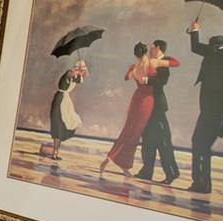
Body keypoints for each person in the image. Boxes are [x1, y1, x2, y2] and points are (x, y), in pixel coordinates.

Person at [100, 43, 173, 176]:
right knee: (134, 134)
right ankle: (118, 161)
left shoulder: (134, 67)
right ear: (146, 52)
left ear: (136, 54)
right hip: (147, 101)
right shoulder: (152, 63)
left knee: (129, 130)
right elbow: (175, 63)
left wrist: (135, 74)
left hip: (137, 99)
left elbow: (127, 78)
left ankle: (115, 159)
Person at [187, 21, 223, 194]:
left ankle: (201, 184)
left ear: (215, 48)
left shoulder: (215, 56)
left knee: (199, 144)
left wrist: (195, 30)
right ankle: (203, 184)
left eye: (211, 49)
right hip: (219, 111)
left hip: (211, 111)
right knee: (202, 145)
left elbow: (195, 48)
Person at [135, 39, 182, 184]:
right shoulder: (151, 61)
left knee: (163, 140)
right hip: (147, 105)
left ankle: (172, 172)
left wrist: (147, 80)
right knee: (148, 139)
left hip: (157, 106)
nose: (150, 49)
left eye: (152, 47)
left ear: (158, 48)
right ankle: (147, 171)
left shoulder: (163, 62)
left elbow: (162, 80)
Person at [48, 60, 88, 158]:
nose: (80, 71)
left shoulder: (75, 75)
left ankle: (55, 152)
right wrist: (77, 70)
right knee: (59, 124)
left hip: (64, 101)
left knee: (62, 126)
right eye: (79, 69)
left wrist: (84, 70)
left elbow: (82, 78)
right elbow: (71, 75)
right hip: (60, 101)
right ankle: (55, 152)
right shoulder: (70, 73)